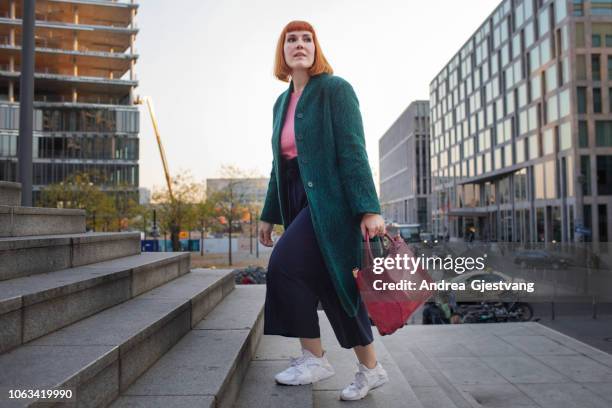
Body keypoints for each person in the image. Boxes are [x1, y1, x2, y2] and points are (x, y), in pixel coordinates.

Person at [258, 20, 389, 401]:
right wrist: (269, 213)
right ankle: (371, 369)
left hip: (330, 203)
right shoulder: (281, 103)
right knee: (335, 286)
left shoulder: (335, 90)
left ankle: (313, 358)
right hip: (296, 200)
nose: (300, 44)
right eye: (291, 40)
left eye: (307, 39)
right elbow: (278, 167)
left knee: (283, 265)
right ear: (282, 52)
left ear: (317, 49)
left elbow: (353, 151)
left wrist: (368, 208)